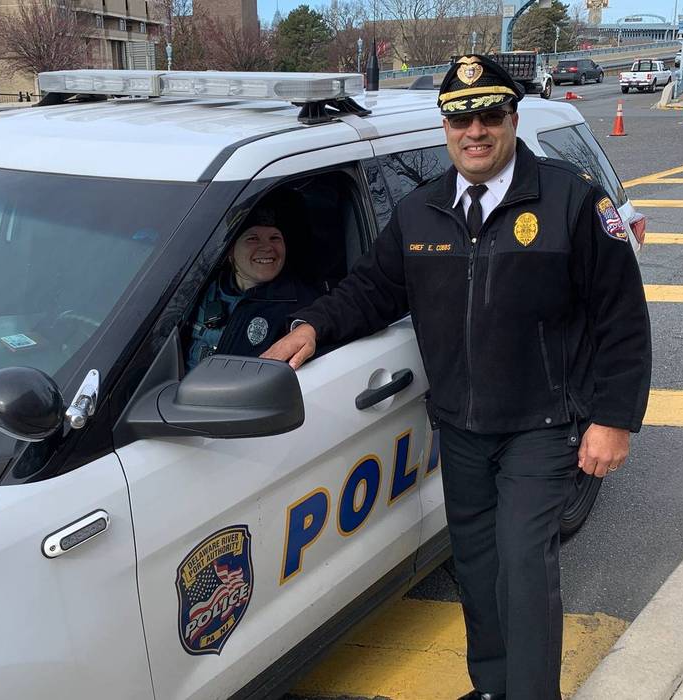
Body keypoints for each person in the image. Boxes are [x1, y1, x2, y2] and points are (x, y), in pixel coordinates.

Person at [262, 55, 651, 700]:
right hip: (462, 428)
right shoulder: (422, 210)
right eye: (460, 118)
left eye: (489, 115)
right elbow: (373, 290)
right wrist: (312, 327)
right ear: (446, 129)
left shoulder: (572, 199)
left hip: (542, 424)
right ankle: (493, 686)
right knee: (476, 563)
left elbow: (622, 318)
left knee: (524, 567)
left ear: (512, 120)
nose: (475, 130)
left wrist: (612, 420)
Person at [185, 207, 321, 369]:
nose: (267, 247)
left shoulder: (306, 305)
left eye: (275, 238)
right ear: (230, 250)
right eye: (253, 238)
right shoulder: (197, 289)